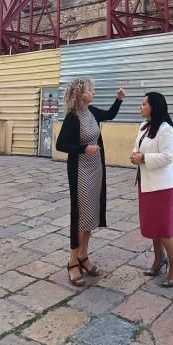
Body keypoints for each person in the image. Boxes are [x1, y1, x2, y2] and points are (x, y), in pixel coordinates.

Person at [56, 78, 125, 287]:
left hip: (96, 169)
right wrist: (84, 148)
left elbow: (110, 115)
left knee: (91, 213)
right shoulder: (73, 117)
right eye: (89, 90)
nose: (93, 93)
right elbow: (61, 144)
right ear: (79, 94)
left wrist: (118, 100)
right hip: (80, 171)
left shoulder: (91, 111)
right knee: (80, 215)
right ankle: (72, 261)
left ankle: (83, 256)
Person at [130, 91, 173, 287]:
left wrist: (143, 158)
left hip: (162, 185)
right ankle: (159, 258)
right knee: (152, 225)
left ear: (154, 106)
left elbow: (168, 156)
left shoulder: (165, 129)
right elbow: (138, 147)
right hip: (146, 182)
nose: (141, 106)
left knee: (163, 226)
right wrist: (135, 155)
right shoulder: (144, 126)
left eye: (144, 104)